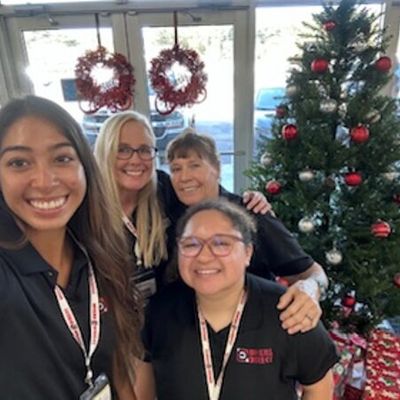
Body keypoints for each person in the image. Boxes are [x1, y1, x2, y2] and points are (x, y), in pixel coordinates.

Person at [0, 95, 141, 399]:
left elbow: (116, 368)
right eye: (19, 163)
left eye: (61, 158)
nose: (44, 181)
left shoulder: (99, 256)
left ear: (84, 167)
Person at [135, 199, 338, 400]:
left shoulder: (290, 311)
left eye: (221, 243)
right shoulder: (159, 312)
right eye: (191, 244)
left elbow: (318, 387)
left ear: (248, 252)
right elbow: (142, 391)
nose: (204, 257)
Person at [166, 129, 329, 334]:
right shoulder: (169, 215)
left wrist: (311, 289)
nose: (184, 177)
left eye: (194, 165)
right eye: (176, 169)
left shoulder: (252, 215)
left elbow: (312, 272)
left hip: (253, 334)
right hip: (185, 336)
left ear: (217, 168)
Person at [94, 111, 270, 298]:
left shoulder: (163, 189)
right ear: (106, 152)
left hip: (162, 309)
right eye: (123, 150)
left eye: (144, 150)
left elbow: (208, 198)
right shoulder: (88, 206)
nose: (136, 160)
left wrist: (248, 202)